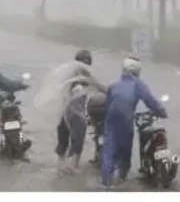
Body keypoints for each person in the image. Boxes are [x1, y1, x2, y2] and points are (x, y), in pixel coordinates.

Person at [101, 56, 166, 189]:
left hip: (111, 122)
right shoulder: (138, 84)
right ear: (137, 71)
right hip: (126, 122)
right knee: (125, 153)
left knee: (109, 153)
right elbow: (150, 101)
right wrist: (162, 112)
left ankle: (106, 184)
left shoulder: (114, 86)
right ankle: (122, 180)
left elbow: (106, 106)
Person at [55, 49, 107, 173]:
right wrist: (113, 92)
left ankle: (60, 169)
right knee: (77, 143)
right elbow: (99, 87)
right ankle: (72, 169)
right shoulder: (84, 76)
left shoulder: (68, 75)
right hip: (75, 114)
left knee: (63, 142)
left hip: (64, 113)